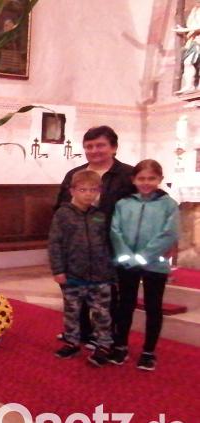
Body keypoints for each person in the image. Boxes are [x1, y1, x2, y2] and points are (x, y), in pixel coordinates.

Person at [55, 126, 135, 348]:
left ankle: (107, 337)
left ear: (114, 147)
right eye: (89, 146)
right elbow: (60, 207)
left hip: (112, 245)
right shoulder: (74, 174)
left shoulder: (128, 175)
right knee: (75, 292)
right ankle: (81, 333)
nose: (94, 150)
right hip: (76, 247)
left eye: (100, 145)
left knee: (106, 296)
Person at [108, 160, 180, 371]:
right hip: (127, 263)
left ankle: (149, 351)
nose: (146, 183)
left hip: (154, 264)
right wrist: (127, 256)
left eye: (151, 178)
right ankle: (120, 345)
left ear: (160, 180)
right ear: (133, 180)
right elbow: (115, 231)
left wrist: (144, 256)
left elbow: (169, 233)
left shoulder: (168, 205)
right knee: (125, 305)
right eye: (141, 178)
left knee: (153, 306)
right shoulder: (124, 204)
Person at [49, 170, 116, 366]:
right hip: (72, 274)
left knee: (102, 313)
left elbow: (107, 243)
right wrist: (58, 270)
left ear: (99, 191)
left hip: (99, 275)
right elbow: (55, 243)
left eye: (93, 190)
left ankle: (104, 345)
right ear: (72, 191)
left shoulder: (99, 215)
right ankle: (72, 341)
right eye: (82, 189)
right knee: (72, 311)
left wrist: (110, 271)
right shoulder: (63, 214)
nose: (88, 194)